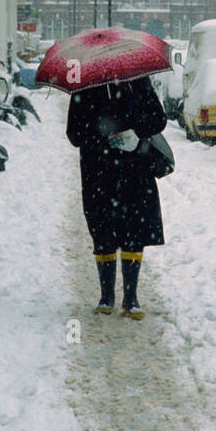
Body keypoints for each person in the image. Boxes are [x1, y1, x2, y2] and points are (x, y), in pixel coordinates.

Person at [66, 77, 166, 319]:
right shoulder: (85, 86)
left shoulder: (138, 81)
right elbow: (74, 134)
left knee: (135, 230)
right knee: (103, 232)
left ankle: (131, 297)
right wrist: (102, 136)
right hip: (98, 172)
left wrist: (135, 134)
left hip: (135, 171)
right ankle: (106, 297)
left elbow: (158, 119)